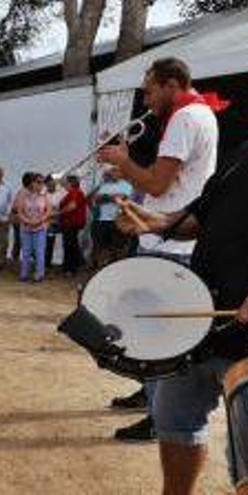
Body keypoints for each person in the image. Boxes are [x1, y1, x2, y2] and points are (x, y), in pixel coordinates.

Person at [114, 139, 248, 495]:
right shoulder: (242, 153)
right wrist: (155, 222)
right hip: (201, 325)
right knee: (175, 424)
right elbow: (199, 217)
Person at [99, 57, 219, 443]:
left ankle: (157, 412)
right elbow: (170, 182)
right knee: (152, 328)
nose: (146, 99)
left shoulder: (185, 118)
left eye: (150, 90)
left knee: (153, 329)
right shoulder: (197, 114)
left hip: (169, 240)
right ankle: (150, 394)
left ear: (172, 84)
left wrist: (124, 160)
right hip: (168, 234)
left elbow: (156, 185)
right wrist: (126, 169)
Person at [88, 172, 133, 269]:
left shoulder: (127, 186)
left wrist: (105, 198)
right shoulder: (102, 186)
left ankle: (115, 270)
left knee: (117, 248)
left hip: (117, 221)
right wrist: (112, 198)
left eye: (114, 171)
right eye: (110, 172)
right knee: (99, 247)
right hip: (100, 221)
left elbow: (124, 199)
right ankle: (99, 270)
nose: (111, 174)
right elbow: (93, 199)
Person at [16, 173, 51, 282]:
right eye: (38, 182)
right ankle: (24, 274)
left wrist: (39, 221)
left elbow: (48, 211)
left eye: (42, 182)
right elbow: (19, 211)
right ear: (32, 183)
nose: (40, 185)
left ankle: (39, 274)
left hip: (40, 228)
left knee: (39, 252)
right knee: (26, 252)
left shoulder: (45, 195)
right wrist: (28, 221)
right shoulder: (23, 195)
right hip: (26, 228)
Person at [58, 176, 88, 276]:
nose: (65, 184)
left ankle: (70, 268)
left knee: (70, 245)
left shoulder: (76, 192)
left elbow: (72, 206)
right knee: (71, 244)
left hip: (71, 223)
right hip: (69, 223)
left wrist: (59, 213)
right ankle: (71, 266)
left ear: (70, 183)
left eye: (66, 183)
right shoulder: (74, 192)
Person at [10, 172, 35, 264]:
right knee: (21, 240)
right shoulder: (24, 192)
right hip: (20, 220)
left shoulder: (25, 191)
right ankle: (17, 259)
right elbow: (16, 208)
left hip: (20, 219)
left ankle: (16, 258)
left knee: (19, 241)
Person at [44, 175, 67, 269]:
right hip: (49, 222)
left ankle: (65, 263)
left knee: (66, 242)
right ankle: (47, 263)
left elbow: (67, 205)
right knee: (49, 242)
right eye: (49, 184)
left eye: (52, 183)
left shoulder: (62, 193)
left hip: (62, 221)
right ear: (46, 185)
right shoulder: (44, 195)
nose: (51, 185)